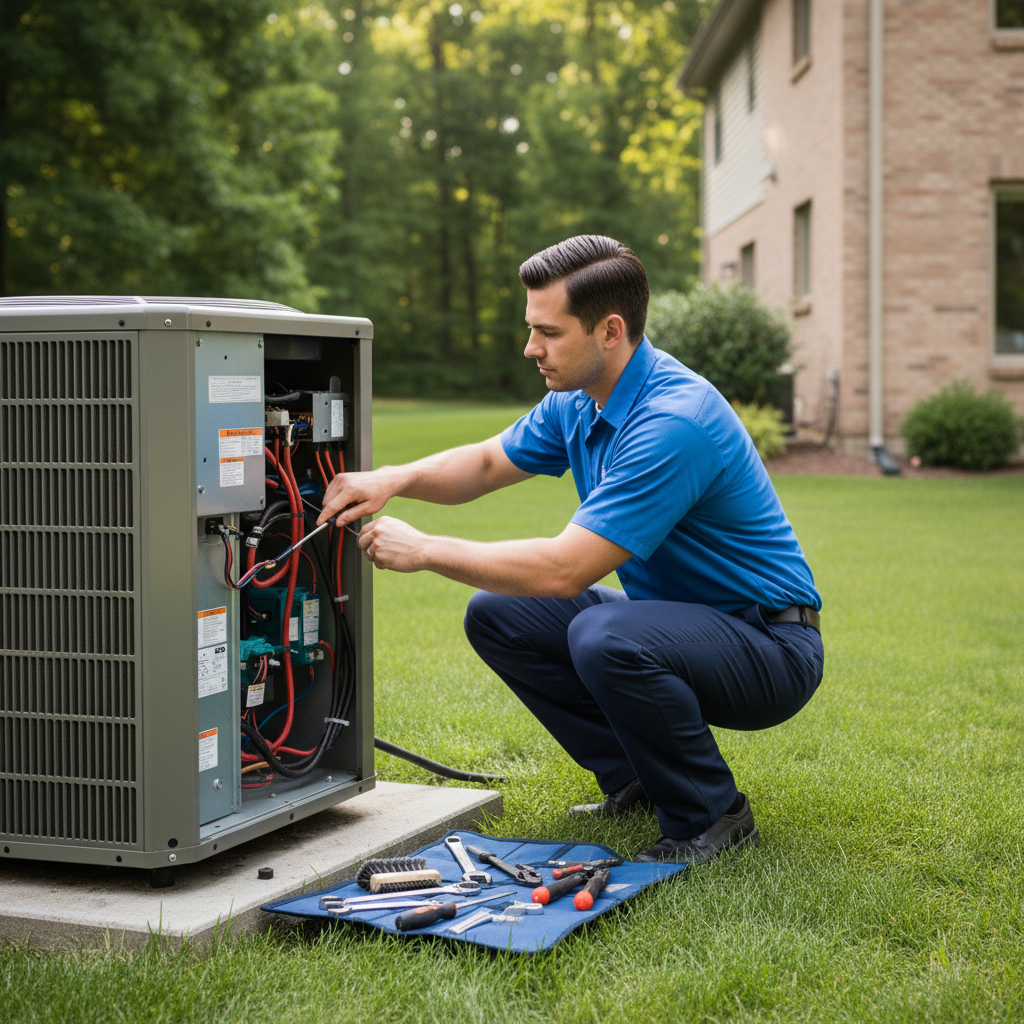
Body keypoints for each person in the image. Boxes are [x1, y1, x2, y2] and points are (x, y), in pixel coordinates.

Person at [318, 235, 824, 863]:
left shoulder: (673, 422)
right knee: (500, 614)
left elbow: (565, 570)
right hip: (687, 626)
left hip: (769, 648)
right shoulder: (578, 403)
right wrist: (391, 478)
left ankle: (712, 814)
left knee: (604, 634)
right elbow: (483, 464)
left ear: (610, 331)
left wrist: (425, 549)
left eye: (548, 332)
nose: (531, 348)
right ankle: (637, 780)